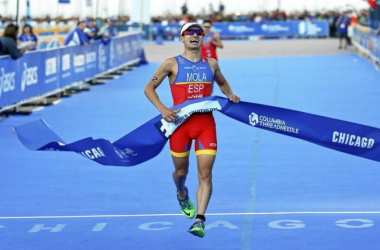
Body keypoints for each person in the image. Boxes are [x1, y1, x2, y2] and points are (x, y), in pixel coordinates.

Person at [144, 22, 240, 238]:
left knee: (205, 174)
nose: (194, 36)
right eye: (190, 33)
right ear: (182, 38)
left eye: (198, 33)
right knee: (181, 173)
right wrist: (163, 109)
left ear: (202, 38)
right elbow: (148, 88)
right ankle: (181, 192)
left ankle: (200, 219)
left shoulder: (212, 64)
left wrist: (230, 94)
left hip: (206, 126)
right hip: (179, 127)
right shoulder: (171, 64)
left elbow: (223, 83)